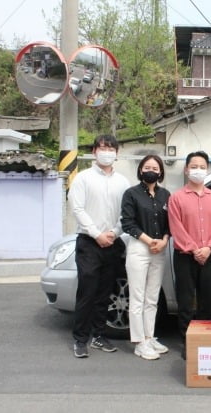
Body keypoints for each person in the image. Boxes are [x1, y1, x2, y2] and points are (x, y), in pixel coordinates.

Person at [68, 134, 130, 358]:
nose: (107, 152)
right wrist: (96, 234)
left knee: (105, 292)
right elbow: (78, 209)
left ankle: (99, 335)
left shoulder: (123, 182)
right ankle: (80, 339)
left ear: (117, 153)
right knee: (87, 291)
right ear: (94, 151)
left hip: (113, 242)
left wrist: (114, 232)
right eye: (102, 147)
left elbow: (126, 213)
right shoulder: (83, 178)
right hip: (89, 242)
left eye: (111, 148)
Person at [168, 151, 211, 359]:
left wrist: (209, 248)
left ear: (207, 169)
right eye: (194, 166)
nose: (198, 170)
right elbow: (176, 228)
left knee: (206, 300)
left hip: (209, 256)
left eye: (202, 167)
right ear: (186, 169)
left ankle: (204, 340)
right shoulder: (177, 198)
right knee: (185, 300)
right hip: (185, 256)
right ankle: (186, 341)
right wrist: (193, 249)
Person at [121, 154, 170, 361]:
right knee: (138, 298)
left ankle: (150, 337)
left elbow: (170, 223)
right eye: (147, 166)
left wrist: (165, 240)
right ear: (141, 170)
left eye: (155, 167)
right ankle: (139, 342)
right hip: (140, 248)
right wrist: (150, 241)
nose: (151, 170)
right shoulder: (131, 194)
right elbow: (128, 224)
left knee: (153, 298)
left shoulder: (165, 194)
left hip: (160, 249)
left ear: (160, 172)